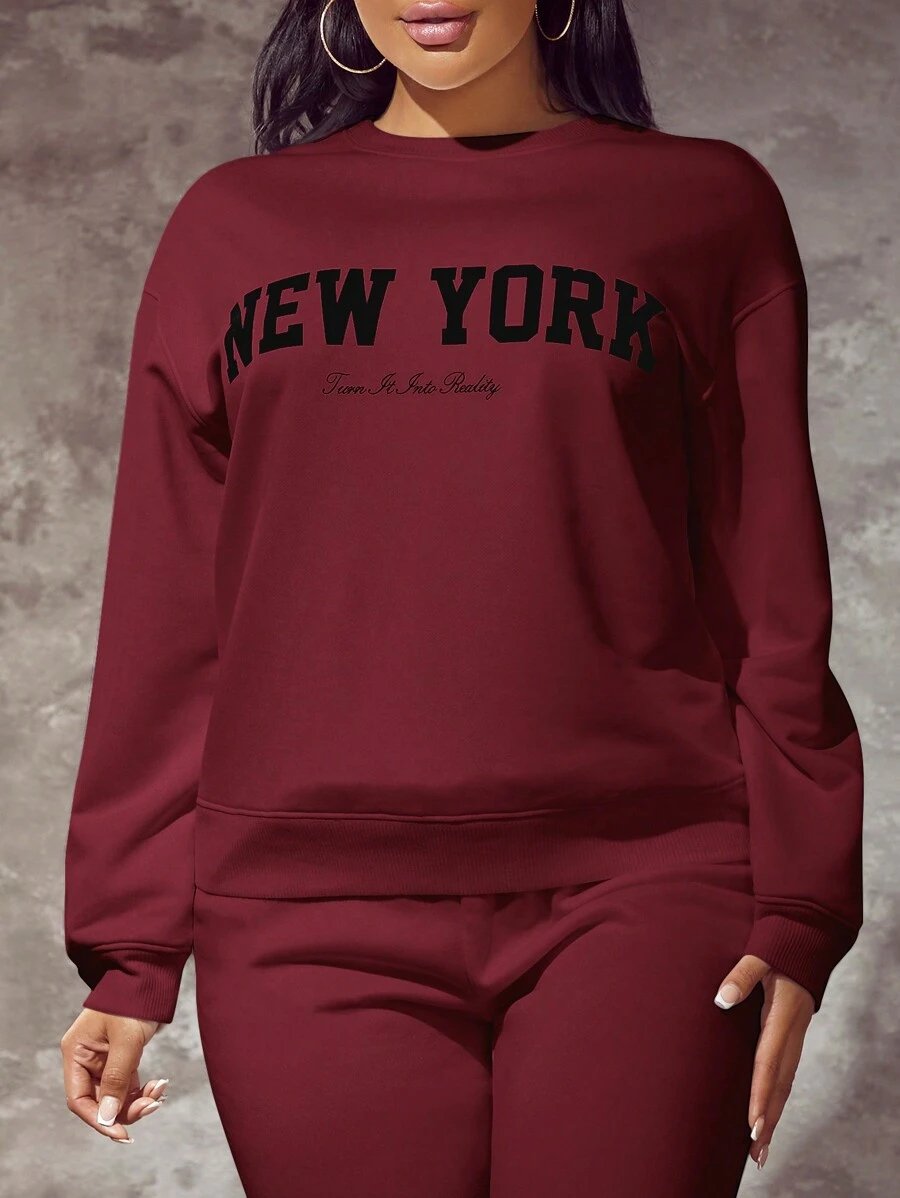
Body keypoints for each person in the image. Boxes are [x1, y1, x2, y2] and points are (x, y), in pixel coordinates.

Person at [58, 1, 865, 1194]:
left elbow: (772, 585)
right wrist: (131, 946)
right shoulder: (235, 224)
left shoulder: (703, 206)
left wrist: (801, 902)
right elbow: (167, 607)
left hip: (646, 885)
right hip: (300, 911)